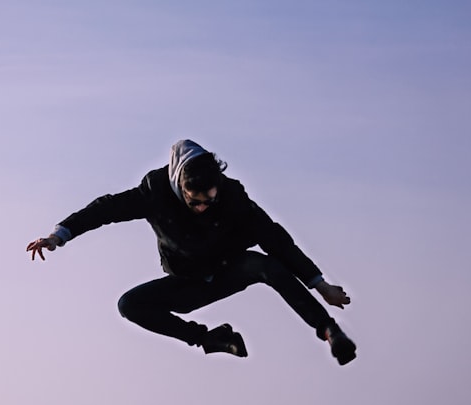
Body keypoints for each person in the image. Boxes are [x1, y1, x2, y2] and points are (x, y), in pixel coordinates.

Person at [26, 139, 357, 365]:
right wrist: (59, 235)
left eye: (208, 201)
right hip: (188, 283)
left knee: (267, 264)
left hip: (229, 268)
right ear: (177, 184)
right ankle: (210, 339)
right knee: (129, 305)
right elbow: (104, 210)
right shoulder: (152, 193)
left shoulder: (233, 197)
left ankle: (330, 331)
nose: (201, 207)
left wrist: (319, 282)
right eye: (193, 200)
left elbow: (275, 238)